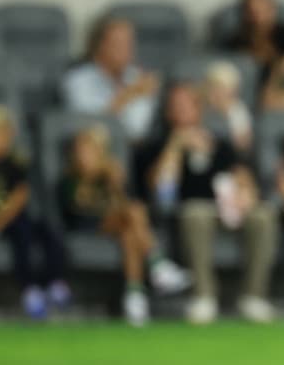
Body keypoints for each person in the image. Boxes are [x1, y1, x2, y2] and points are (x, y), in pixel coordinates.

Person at [137, 83, 279, 325]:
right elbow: (161, 192)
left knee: (264, 215)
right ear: (167, 112)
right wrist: (176, 146)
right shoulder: (155, 146)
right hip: (185, 212)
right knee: (196, 212)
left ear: (199, 109)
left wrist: (245, 193)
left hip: (227, 209)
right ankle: (204, 296)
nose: (181, 111)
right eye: (175, 106)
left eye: (186, 105)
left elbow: (242, 175)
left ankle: (254, 296)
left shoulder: (219, 144)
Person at [57, 125, 190, 326]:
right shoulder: (70, 178)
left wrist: (115, 183)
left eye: (90, 150)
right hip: (86, 225)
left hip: (116, 223)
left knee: (130, 231)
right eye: (81, 151)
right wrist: (91, 178)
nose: (85, 155)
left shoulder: (109, 174)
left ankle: (134, 297)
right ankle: (158, 264)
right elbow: (81, 206)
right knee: (135, 211)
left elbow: (119, 203)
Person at [0, 106, 69, 319]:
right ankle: (30, 290)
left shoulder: (18, 163)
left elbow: (20, 197)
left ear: (8, 135)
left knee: (46, 231)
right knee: (23, 235)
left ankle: (55, 283)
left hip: (10, 220)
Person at [61, 17, 160, 143]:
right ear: (100, 46)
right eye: (119, 43)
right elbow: (90, 132)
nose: (127, 50)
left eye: (129, 43)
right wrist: (127, 96)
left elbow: (139, 131)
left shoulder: (138, 78)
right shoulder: (77, 82)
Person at [203, 62, 254, 154]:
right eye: (212, 87)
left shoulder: (238, 111)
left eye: (220, 88)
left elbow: (243, 146)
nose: (216, 93)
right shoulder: (203, 109)